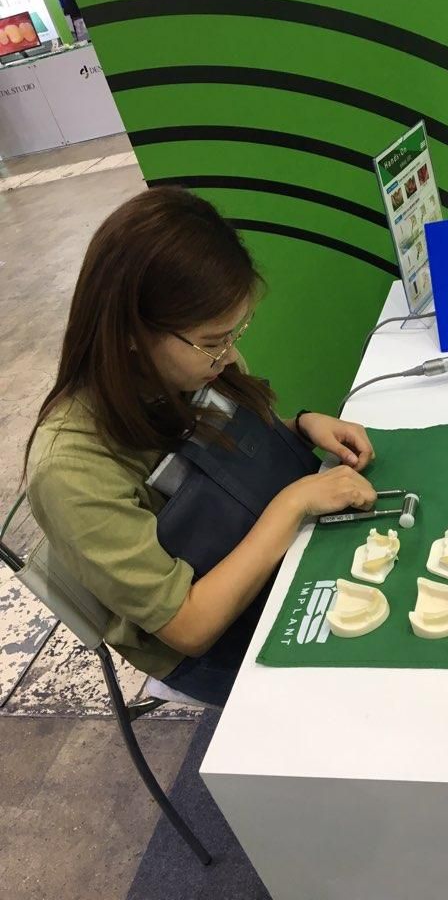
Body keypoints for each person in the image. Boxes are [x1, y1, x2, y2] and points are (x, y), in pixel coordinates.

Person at [25, 188, 377, 705]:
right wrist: (295, 502)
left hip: (269, 548)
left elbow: (226, 458)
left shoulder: (197, 368)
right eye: (213, 341)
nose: (229, 355)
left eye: (234, 333)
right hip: (214, 638)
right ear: (130, 333)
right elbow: (189, 627)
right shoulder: (71, 469)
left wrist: (301, 426)